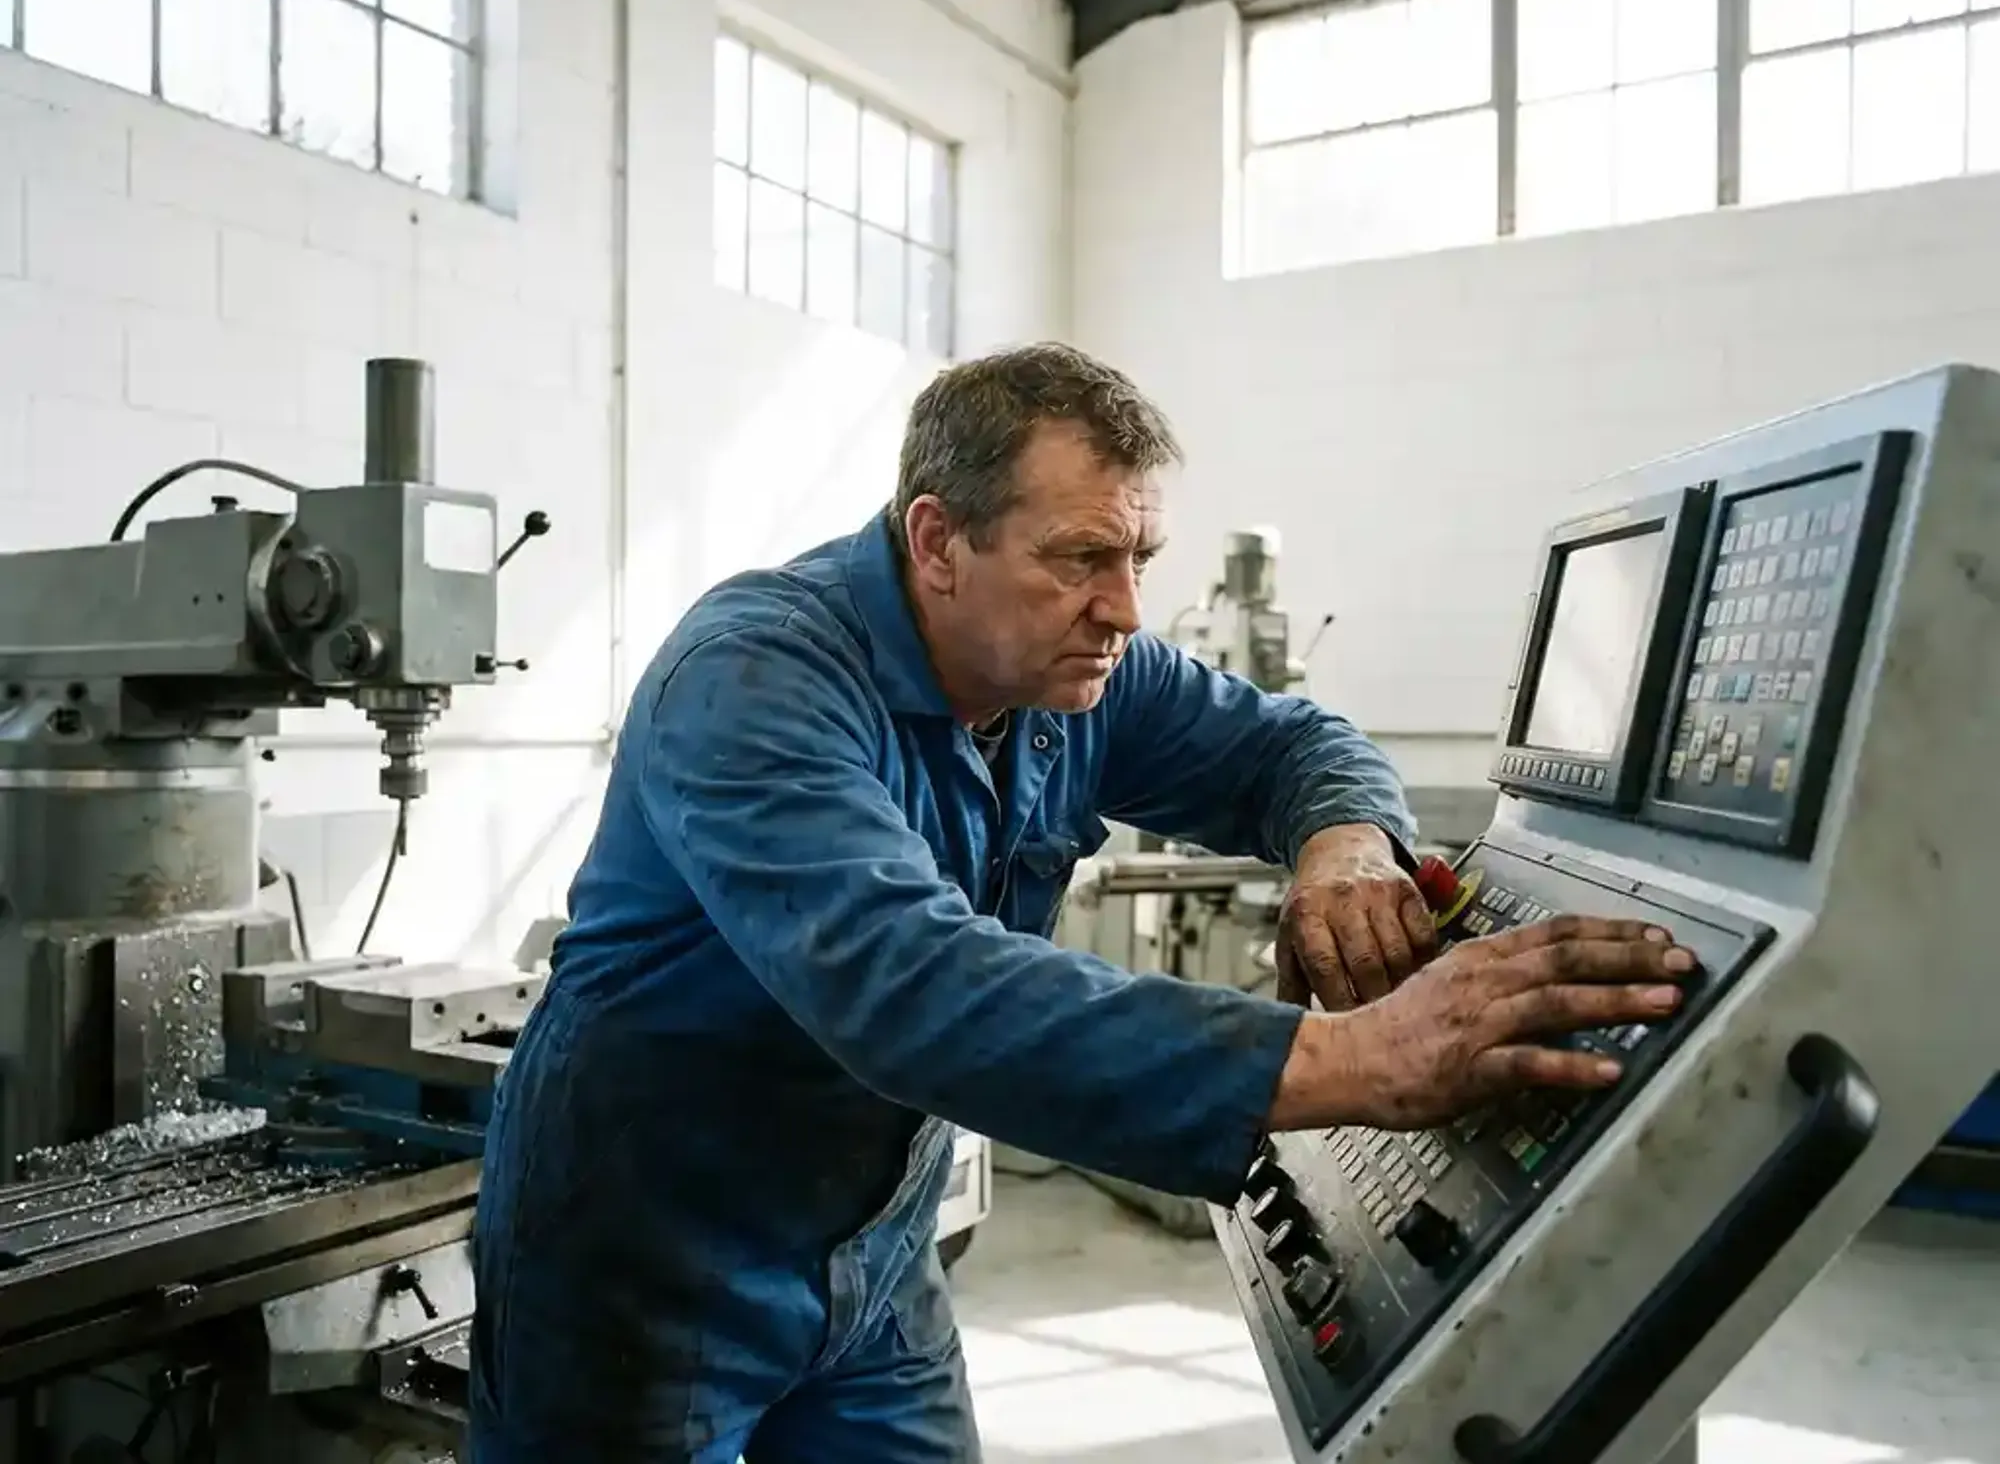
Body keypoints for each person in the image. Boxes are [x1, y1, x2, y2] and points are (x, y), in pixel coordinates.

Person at [468, 342, 1694, 1463]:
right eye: (1079, 561)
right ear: (938, 542)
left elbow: (1294, 747)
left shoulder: (1077, 678)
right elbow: (911, 986)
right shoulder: (752, 674)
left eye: (1136, 560)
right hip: (647, 1260)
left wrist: (1346, 850)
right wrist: (1356, 1060)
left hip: (873, 1264)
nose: (1122, 607)